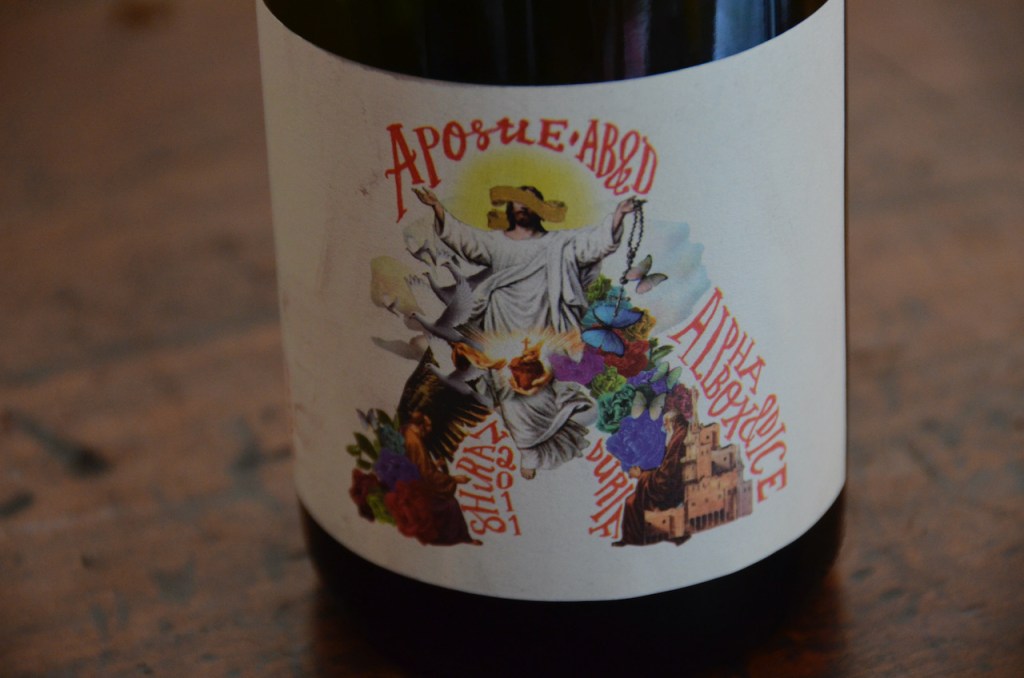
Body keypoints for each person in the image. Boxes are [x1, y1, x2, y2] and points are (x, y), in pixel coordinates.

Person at [411, 185, 638, 476]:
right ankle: (529, 450)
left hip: (544, 322)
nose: (522, 209)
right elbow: (465, 239)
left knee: (546, 383)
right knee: (511, 389)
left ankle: (558, 425)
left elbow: (592, 244)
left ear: (539, 210)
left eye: (529, 204)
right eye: (517, 205)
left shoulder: (557, 243)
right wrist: (437, 208)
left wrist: (618, 216)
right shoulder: (496, 242)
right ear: (509, 211)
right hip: (503, 323)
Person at [614, 411, 691, 546]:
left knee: (632, 502)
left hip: (671, 489)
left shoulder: (677, 441)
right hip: (669, 482)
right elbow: (666, 469)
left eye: (666, 423)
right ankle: (633, 539)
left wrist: (641, 475)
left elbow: (667, 476)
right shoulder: (675, 437)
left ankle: (638, 538)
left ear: (673, 422)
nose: (664, 427)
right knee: (631, 501)